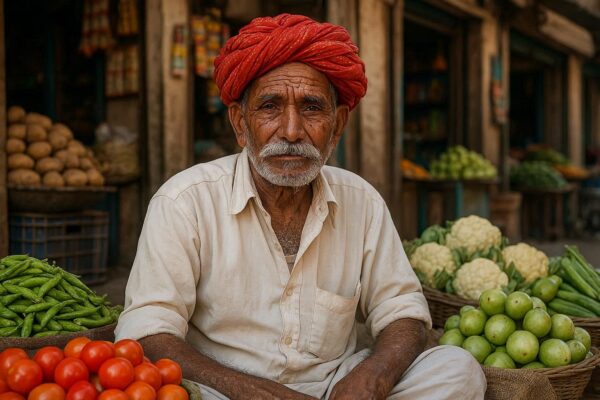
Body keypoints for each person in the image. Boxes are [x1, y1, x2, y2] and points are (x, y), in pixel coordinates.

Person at [115, 13, 486, 400]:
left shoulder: (361, 201)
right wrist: (252, 391)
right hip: (221, 391)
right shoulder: (184, 201)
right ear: (240, 123)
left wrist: (373, 376)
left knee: (457, 370)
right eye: (270, 107)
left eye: (311, 108)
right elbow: (148, 329)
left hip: (335, 388)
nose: (291, 131)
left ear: (338, 124)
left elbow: (402, 310)